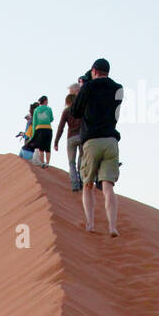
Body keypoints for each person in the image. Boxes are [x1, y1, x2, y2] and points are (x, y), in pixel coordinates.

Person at [71, 57, 124, 236]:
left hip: (92, 141)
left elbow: (75, 112)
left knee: (87, 185)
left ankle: (91, 223)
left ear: (94, 71)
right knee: (108, 186)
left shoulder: (88, 87)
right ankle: (112, 227)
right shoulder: (118, 89)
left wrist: (82, 88)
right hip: (111, 140)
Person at [54, 87, 83, 191]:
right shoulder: (81, 109)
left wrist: (56, 141)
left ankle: (75, 185)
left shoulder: (66, 111)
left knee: (71, 162)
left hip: (71, 138)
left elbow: (61, 127)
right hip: (82, 136)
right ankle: (82, 180)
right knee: (82, 159)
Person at [31, 96, 54, 166]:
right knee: (48, 147)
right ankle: (47, 163)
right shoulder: (49, 109)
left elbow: (34, 122)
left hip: (39, 129)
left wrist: (33, 134)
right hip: (48, 129)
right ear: (45, 101)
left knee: (41, 148)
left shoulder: (36, 110)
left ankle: (42, 162)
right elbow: (51, 119)